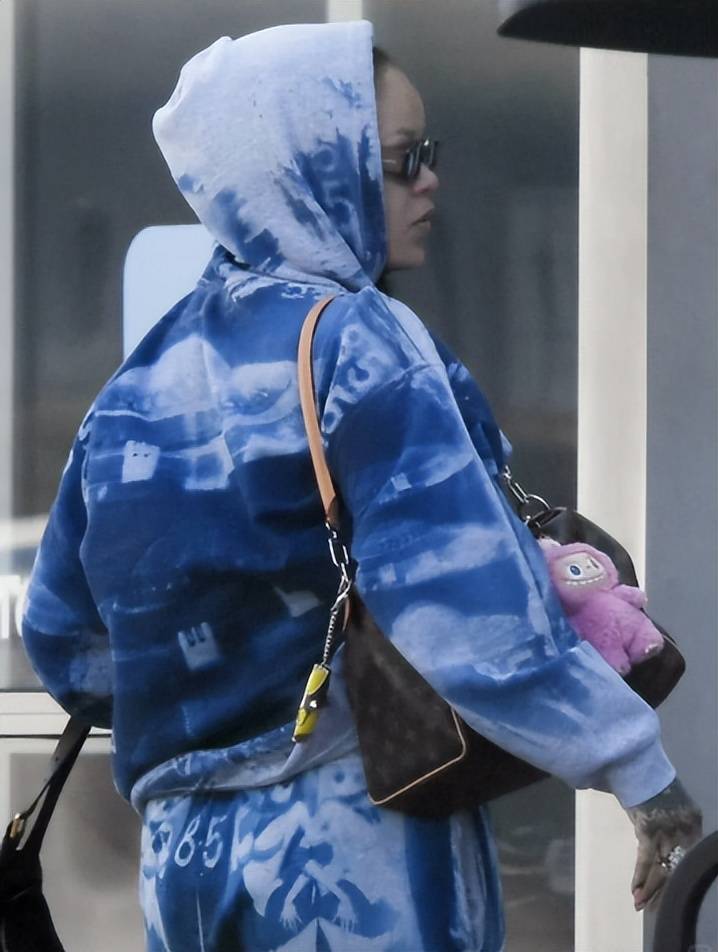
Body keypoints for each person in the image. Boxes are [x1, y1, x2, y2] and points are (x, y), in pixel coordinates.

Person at [20, 19, 701, 952]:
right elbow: (463, 600)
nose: (431, 180)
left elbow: (63, 638)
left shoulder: (133, 389)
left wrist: (213, 701)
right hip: (345, 845)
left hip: (179, 855)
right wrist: (638, 769)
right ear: (312, 167)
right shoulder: (357, 339)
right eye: (400, 158)